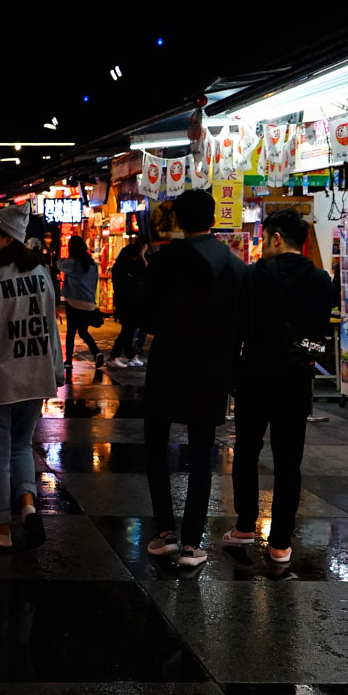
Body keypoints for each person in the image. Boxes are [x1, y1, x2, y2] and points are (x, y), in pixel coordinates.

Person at [138, 190, 244, 570]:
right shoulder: (235, 267)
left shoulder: (164, 262)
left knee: (155, 446)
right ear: (213, 218)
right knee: (202, 453)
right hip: (212, 369)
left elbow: (145, 316)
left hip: (168, 364)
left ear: (179, 221)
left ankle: (164, 531)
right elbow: (242, 325)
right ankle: (192, 545)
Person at [225, 207, 335, 569]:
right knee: (289, 461)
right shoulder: (321, 280)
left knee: (246, 451)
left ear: (275, 237)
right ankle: (280, 545)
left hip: (255, 376)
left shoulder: (253, 276)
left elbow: (238, 326)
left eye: (264, 238)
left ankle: (244, 526)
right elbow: (321, 330)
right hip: (295, 380)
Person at [0, 204, 61, 550]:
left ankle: (2, 529)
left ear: (9, 238)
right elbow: (51, 325)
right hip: (34, 376)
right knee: (21, 445)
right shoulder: (41, 273)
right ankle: (27, 505)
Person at [58, 234, 104, 367]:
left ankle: (68, 361)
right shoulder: (92, 264)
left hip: (74, 302)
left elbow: (58, 264)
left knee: (71, 332)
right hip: (89, 304)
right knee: (83, 331)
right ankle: (97, 353)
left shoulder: (72, 263)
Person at [108, 235, 150, 368]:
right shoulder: (127, 269)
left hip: (126, 301)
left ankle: (130, 356)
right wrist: (142, 255)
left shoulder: (121, 266)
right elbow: (145, 270)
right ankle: (115, 356)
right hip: (128, 302)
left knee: (129, 329)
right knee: (127, 330)